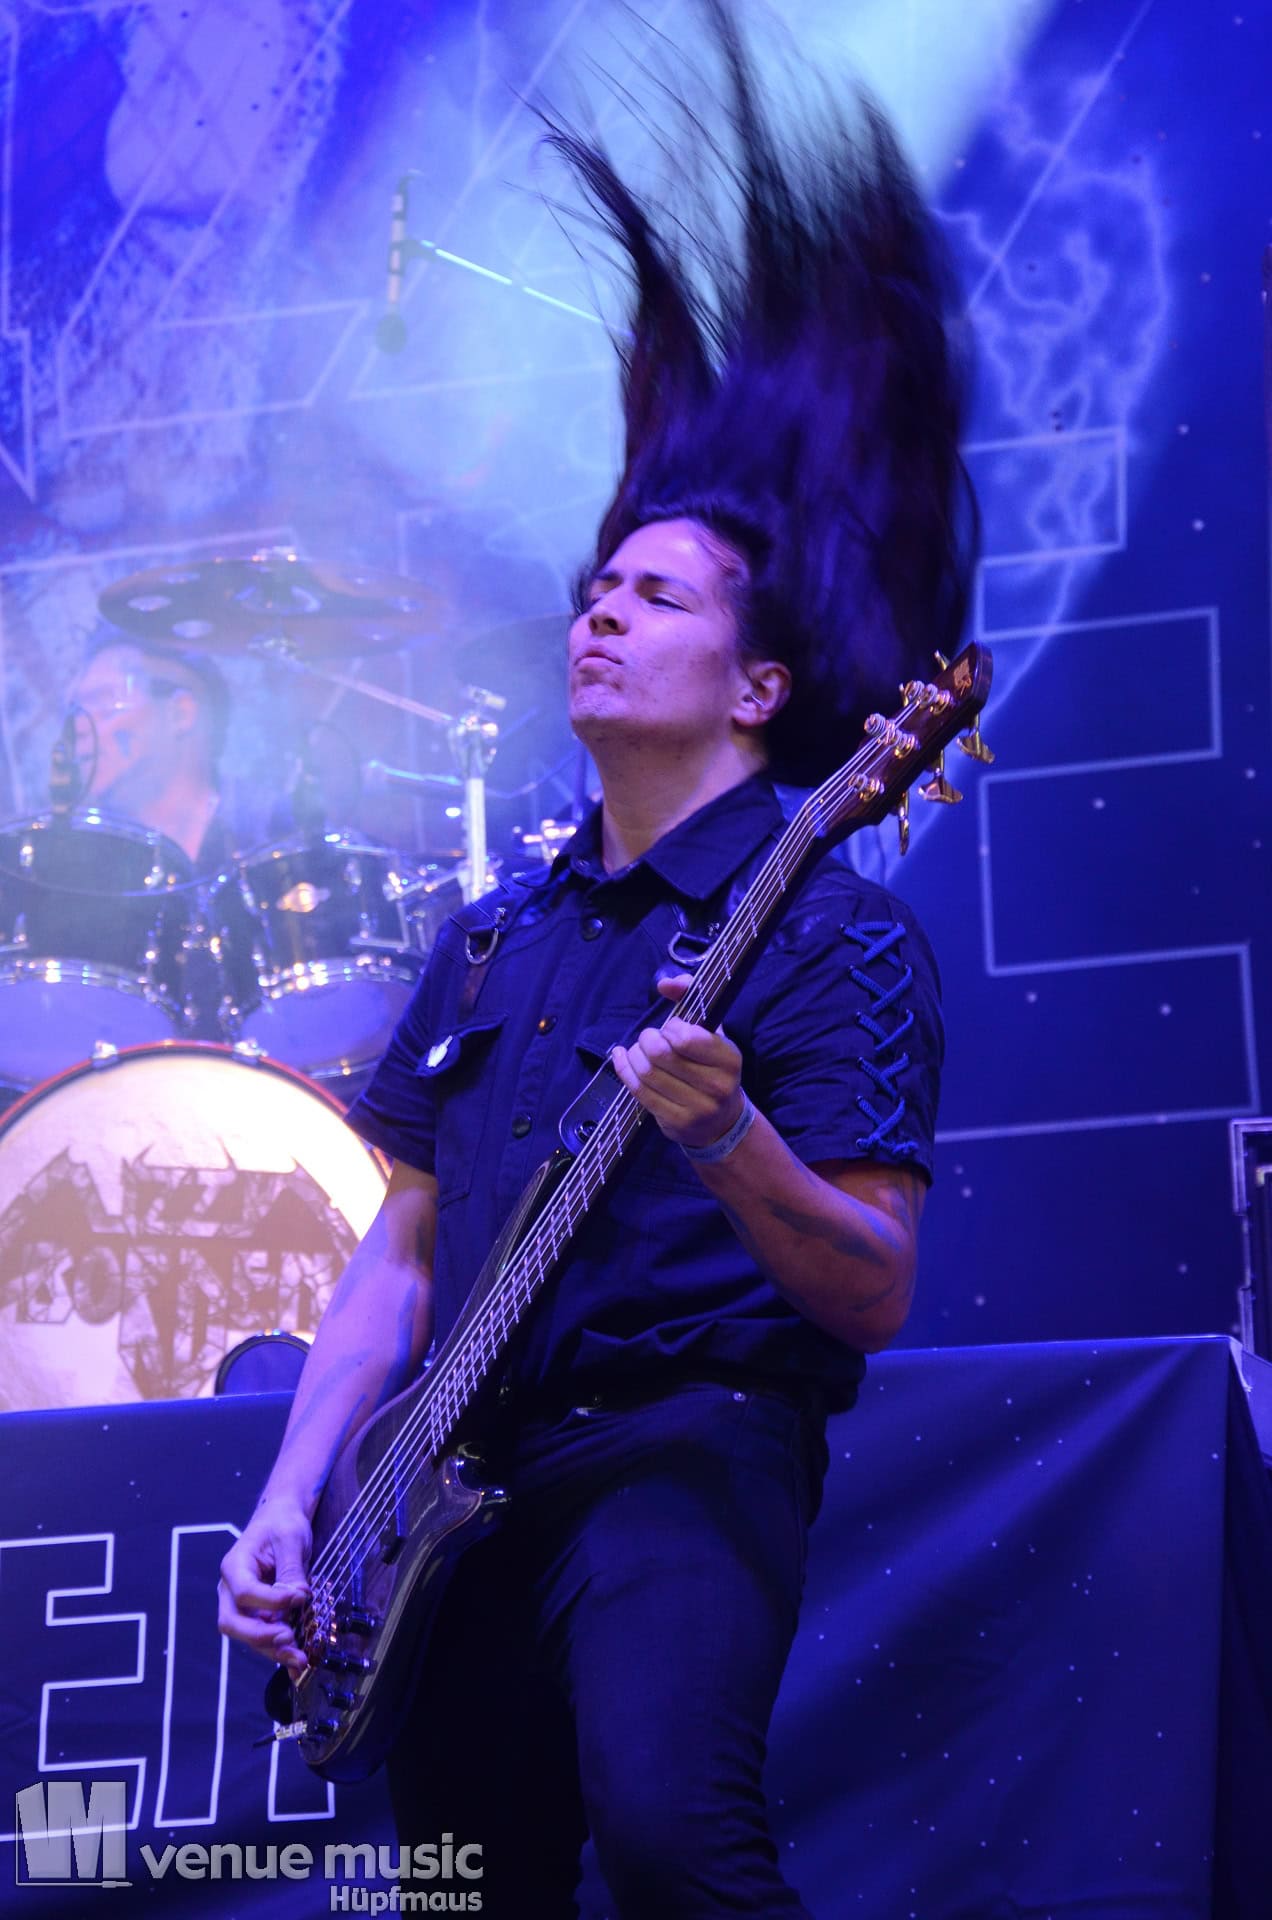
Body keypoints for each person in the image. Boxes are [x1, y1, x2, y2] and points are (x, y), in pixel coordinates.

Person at [218, 9, 975, 1914]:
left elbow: (873, 1287)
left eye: (652, 596)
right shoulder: (495, 940)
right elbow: (397, 1254)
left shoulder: (832, 933)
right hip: (445, 1483)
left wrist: (729, 1142)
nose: (598, 618)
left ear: (760, 685)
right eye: (592, 592)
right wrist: (294, 1494)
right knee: (456, 1883)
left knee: (666, 1833)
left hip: (682, 1450)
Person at [69, 634, 232, 869]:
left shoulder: (270, 829)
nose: (79, 727)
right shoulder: (81, 864)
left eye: (104, 704)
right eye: (77, 711)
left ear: (180, 714)